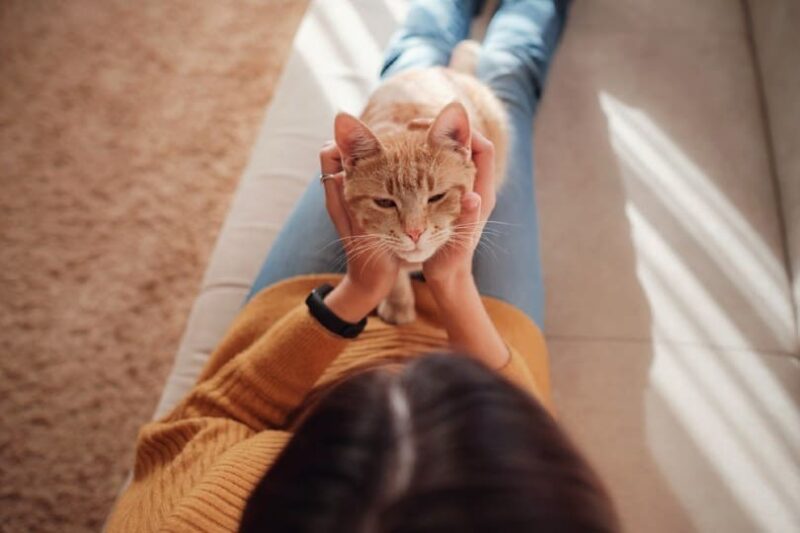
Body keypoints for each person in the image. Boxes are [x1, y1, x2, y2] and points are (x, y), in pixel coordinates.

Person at [105, 1, 620, 531]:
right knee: (510, 77)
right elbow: (527, 431)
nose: (416, 231)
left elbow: (207, 420)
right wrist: (454, 283)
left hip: (329, 310)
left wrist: (357, 289)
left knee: (405, 79)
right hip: (485, 337)